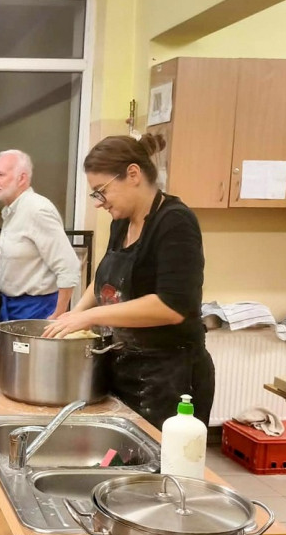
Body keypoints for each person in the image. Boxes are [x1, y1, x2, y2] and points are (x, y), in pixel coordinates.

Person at [43, 133, 215, 429]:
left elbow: (171, 306)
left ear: (133, 174)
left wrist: (90, 317)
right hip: (126, 367)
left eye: (101, 191)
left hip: (170, 379)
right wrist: (71, 314)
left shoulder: (175, 222)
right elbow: (105, 283)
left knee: (159, 470)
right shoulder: (121, 221)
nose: (99, 203)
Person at [0, 149, 80, 321]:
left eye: (0, 174)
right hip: (10, 306)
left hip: (38, 309)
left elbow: (69, 267)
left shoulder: (37, 210)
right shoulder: (12, 211)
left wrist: (58, 315)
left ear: (22, 178)